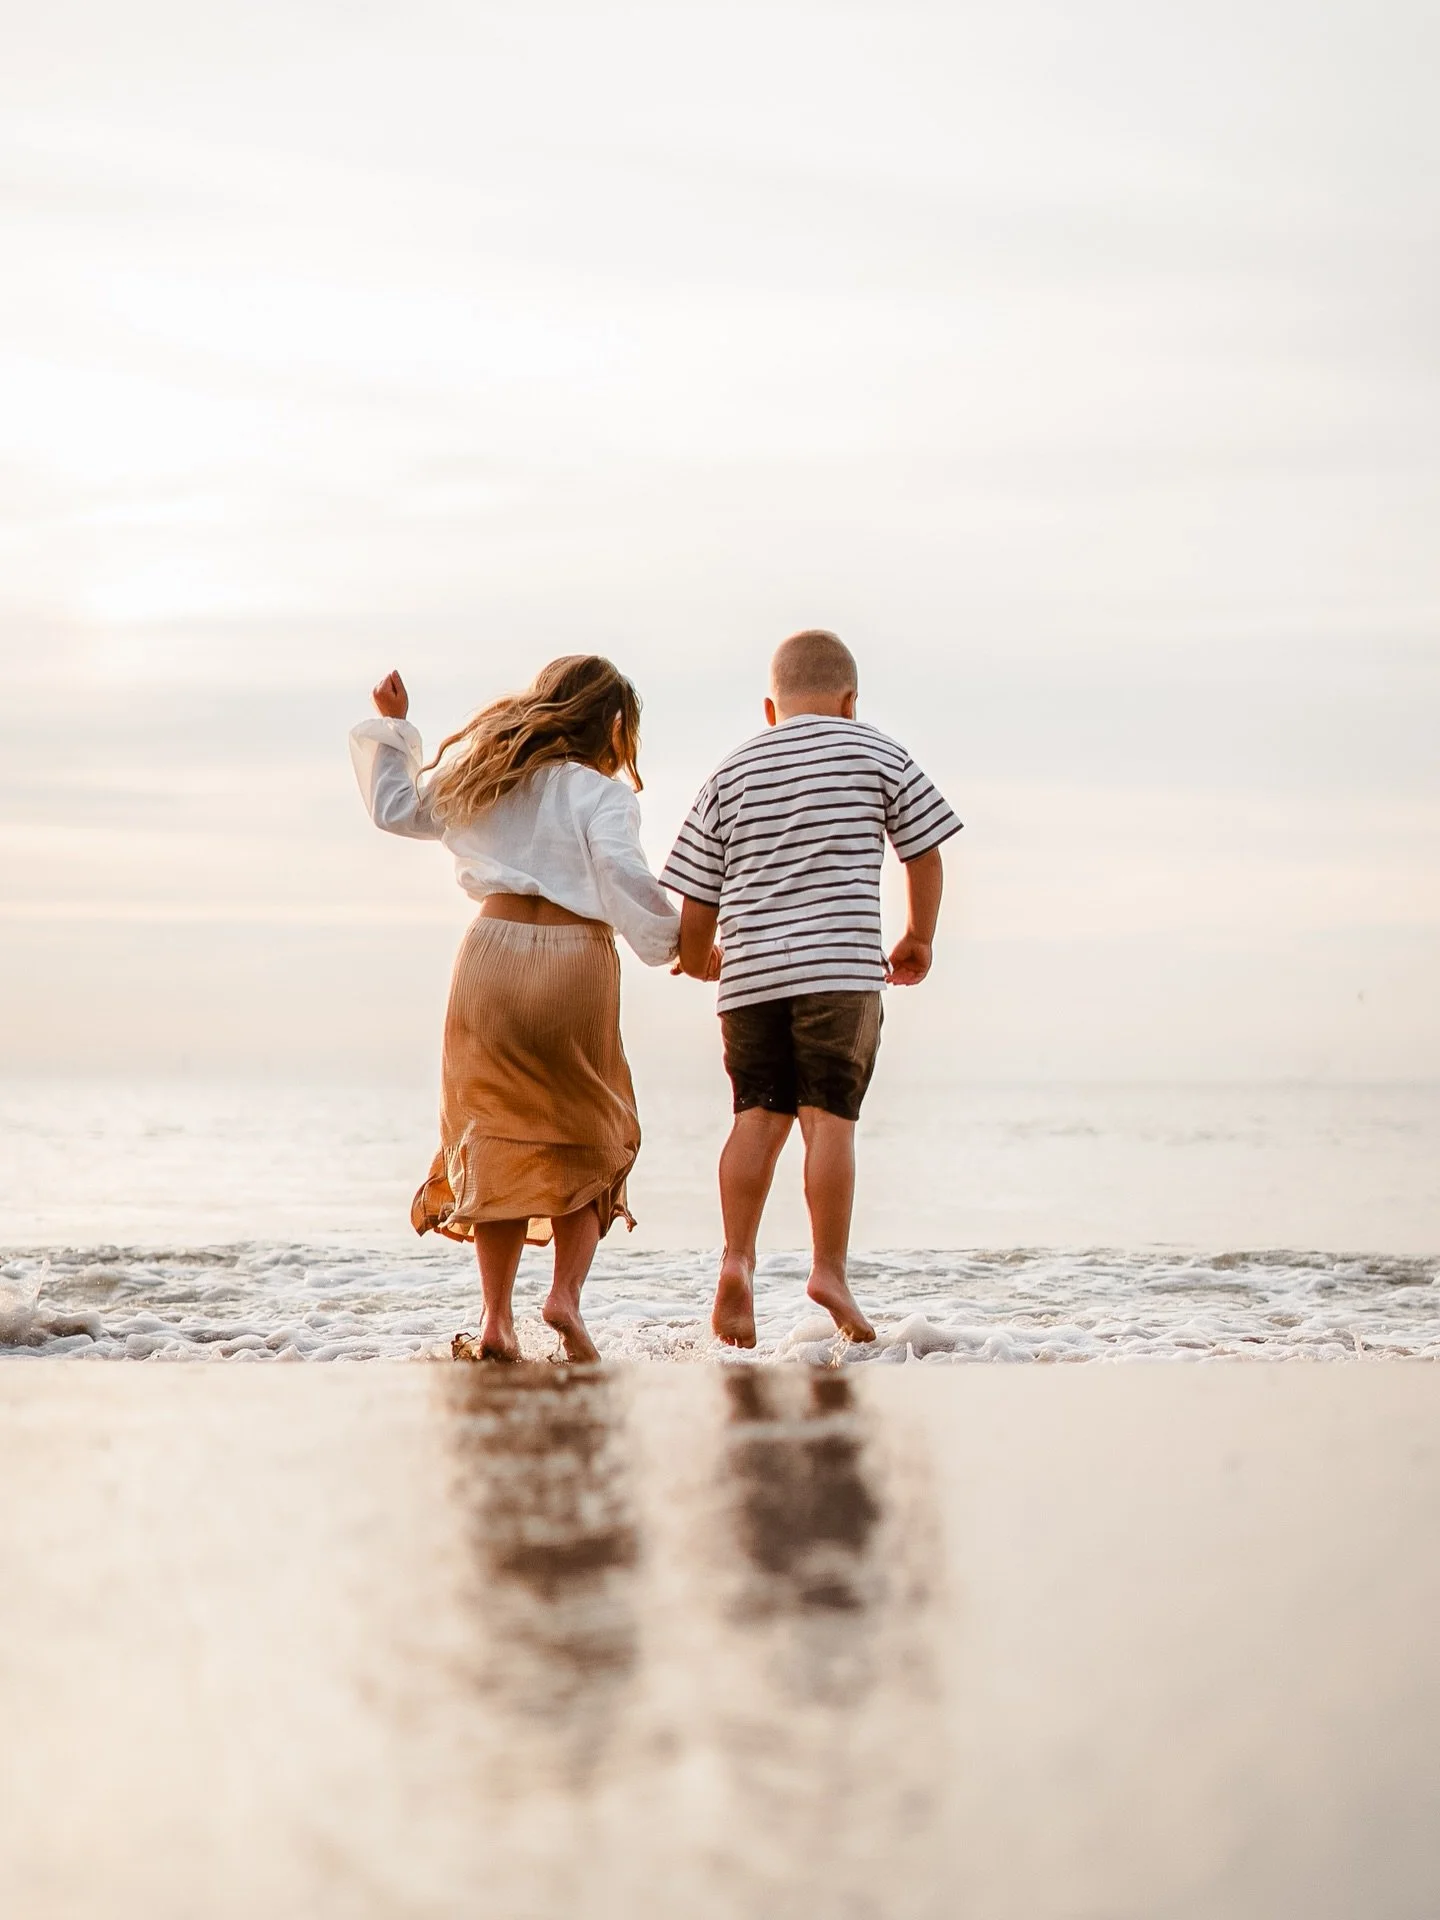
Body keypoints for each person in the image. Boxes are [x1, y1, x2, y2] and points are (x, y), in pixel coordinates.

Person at [350, 655, 684, 1364]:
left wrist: (395, 726)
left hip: (491, 958)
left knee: (491, 1131)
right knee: (596, 1129)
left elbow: (396, 808)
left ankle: (497, 1321)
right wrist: (678, 945)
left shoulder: (483, 779)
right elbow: (625, 878)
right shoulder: (602, 796)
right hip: (575, 960)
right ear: (615, 727)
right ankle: (564, 1295)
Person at [662, 629, 960, 1348]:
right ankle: (828, 1271)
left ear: (772, 707)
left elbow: (696, 901)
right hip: (839, 971)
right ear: (850, 700)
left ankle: (736, 1259)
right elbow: (923, 850)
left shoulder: (731, 771)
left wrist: (703, 959)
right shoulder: (877, 750)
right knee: (828, 1119)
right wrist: (919, 935)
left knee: (756, 1118)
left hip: (752, 979)